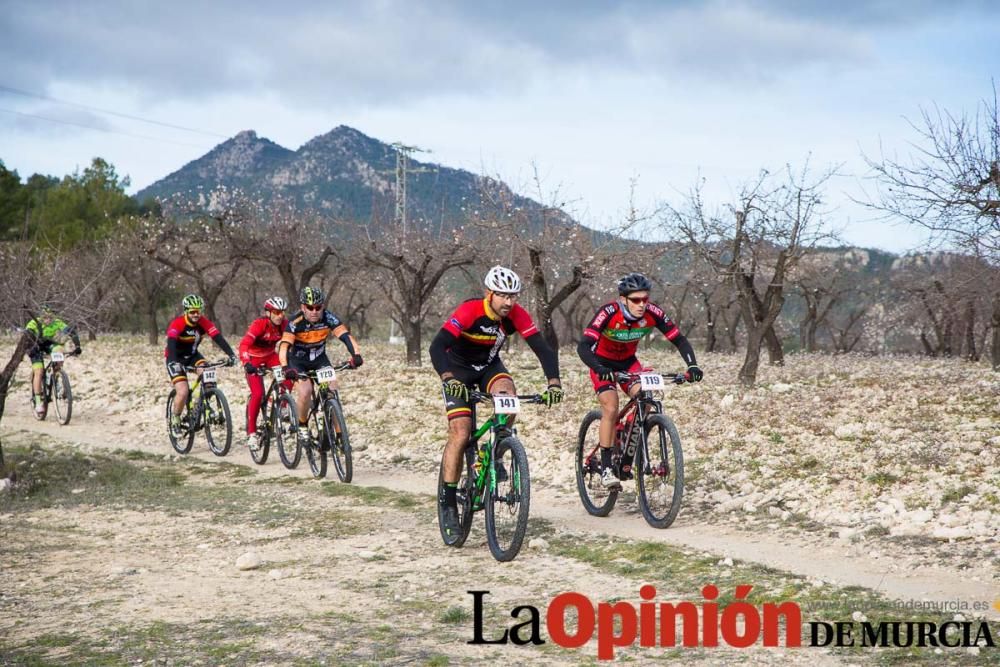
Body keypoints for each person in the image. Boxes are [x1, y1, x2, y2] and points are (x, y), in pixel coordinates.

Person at [429, 265, 564, 543]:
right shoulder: (469, 312)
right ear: (489, 293)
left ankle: (498, 450)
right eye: (503, 295)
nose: (509, 302)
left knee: (509, 401)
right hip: (458, 370)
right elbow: (436, 346)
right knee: (461, 432)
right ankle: (448, 501)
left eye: (513, 296)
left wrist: (554, 382)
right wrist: (448, 378)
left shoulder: (516, 315)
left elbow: (542, 348)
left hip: (489, 367)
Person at [576, 272, 703, 489]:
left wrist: (692, 365)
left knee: (646, 398)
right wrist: (598, 368)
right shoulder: (608, 312)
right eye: (636, 300)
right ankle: (607, 468)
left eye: (645, 299)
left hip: (628, 363)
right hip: (601, 364)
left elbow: (679, 339)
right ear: (623, 299)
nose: (642, 304)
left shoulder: (653, 313)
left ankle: (627, 443)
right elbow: (583, 345)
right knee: (611, 407)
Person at [278, 286, 363, 450]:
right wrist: (285, 367)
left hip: (319, 359)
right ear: (303, 307)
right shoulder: (295, 322)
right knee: (305, 391)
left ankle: (339, 436)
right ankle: (302, 425)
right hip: (298, 361)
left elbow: (346, 336)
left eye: (318, 307)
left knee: (332, 390)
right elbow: (284, 346)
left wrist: (356, 355)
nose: (314, 311)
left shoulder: (328, 318)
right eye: (310, 308)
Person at [164, 294, 236, 436]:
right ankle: (176, 419)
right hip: (176, 358)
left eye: (198, 311)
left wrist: (231, 354)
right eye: (192, 312)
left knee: (208, 376)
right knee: (183, 391)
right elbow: (171, 343)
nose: (196, 314)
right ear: (186, 311)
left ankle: (203, 405)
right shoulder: (178, 323)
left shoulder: (203, 322)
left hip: (193, 356)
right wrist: (173, 362)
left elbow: (217, 337)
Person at [239, 296, 290, 454]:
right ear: (268, 313)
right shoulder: (259, 325)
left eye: (282, 312)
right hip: (253, 358)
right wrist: (246, 363)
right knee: (258, 393)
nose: (280, 315)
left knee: (289, 374)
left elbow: (294, 341)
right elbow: (244, 344)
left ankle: (278, 404)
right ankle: (252, 433)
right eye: (276, 312)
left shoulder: (284, 324)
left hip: (270, 356)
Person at [25, 306, 82, 415]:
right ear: (40, 317)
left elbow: (71, 332)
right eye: (45, 318)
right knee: (39, 371)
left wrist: (77, 346)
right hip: (35, 346)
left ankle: (57, 375)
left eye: (50, 318)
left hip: (49, 344)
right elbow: (27, 336)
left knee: (59, 349)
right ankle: (38, 402)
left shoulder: (57, 323)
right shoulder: (33, 323)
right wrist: (30, 348)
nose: (48, 320)